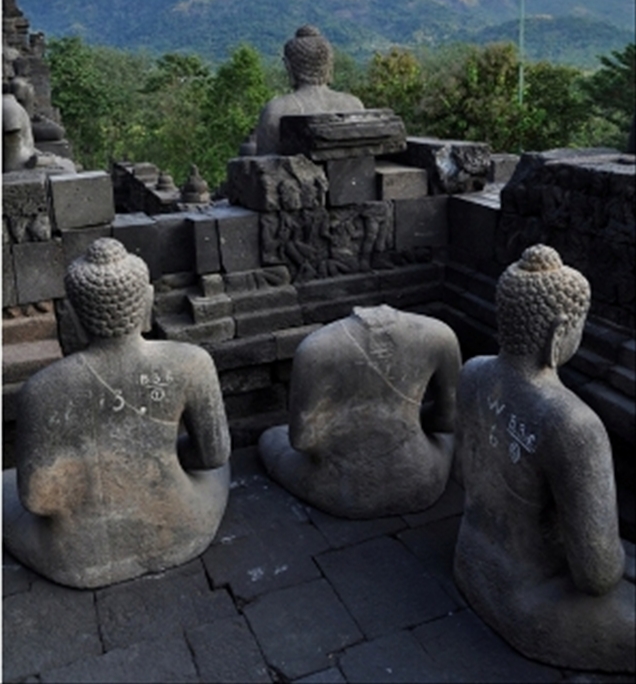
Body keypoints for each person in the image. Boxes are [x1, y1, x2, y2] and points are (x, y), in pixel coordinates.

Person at [3, 238, 230, 588]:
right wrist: (158, 458)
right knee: (224, 466)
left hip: (79, 557)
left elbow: (38, 499)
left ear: (73, 317)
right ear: (147, 304)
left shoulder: (43, 389)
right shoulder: (192, 362)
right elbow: (213, 455)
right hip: (186, 527)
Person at [453, 244, 635, 672]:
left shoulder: (472, 373)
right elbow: (597, 576)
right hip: (531, 603)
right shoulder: (573, 425)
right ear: (558, 335)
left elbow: (464, 477)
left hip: (470, 559)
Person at [259, 305, 461, 518]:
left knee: (270, 437)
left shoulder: (316, 349)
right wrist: (403, 421)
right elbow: (448, 420)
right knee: (448, 438)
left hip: (344, 489)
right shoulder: (440, 335)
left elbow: (303, 441)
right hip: (424, 480)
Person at [254, 25, 364, 155]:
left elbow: (264, 167)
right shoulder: (354, 105)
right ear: (329, 65)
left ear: (288, 66)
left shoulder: (276, 111)